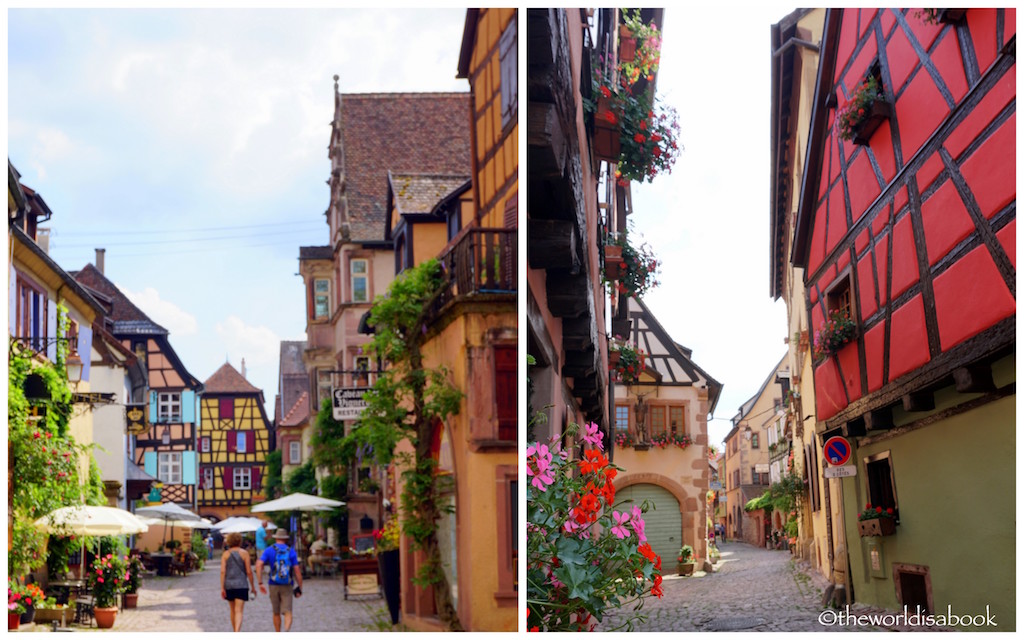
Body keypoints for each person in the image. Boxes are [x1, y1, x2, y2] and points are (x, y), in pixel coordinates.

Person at [256, 528, 303, 632]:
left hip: (273, 584)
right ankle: (286, 631)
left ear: (276, 538)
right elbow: (297, 570)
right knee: (288, 611)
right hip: (287, 584)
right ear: (285, 539)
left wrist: (260, 582)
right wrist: (299, 586)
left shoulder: (269, 550)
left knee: (276, 612)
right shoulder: (291, 551)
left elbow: (259, 564)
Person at [220, 532, 257, 632]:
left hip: (229, 585)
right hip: (241, 585)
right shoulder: (244, 553)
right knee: (239, 610)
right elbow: (249, 571)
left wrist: (222, 587)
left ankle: (235, 631)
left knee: (232, 610)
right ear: (240, 541)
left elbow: (223, 571)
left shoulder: (225, 554)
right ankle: (237, 632)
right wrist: (253, 586)